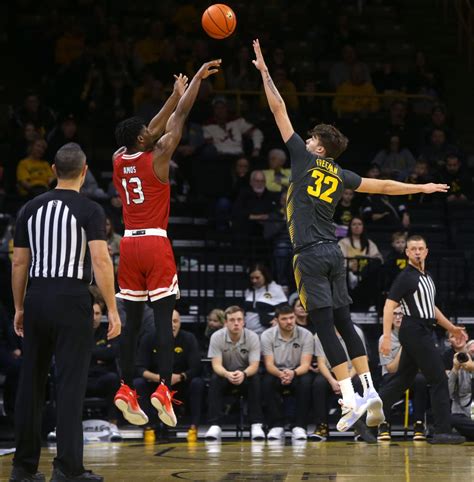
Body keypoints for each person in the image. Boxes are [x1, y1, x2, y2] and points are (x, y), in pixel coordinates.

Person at [252, 38, 449, 432]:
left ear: (319, 147)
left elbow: (278, 109)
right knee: (344, 321)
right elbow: (385, 186)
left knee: (324, 326)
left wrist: (265, 73)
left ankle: (348, 398)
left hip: (308, 253)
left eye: (310, 139)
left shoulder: (306, 159)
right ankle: (370, 391)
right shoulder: (342, 175)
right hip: (335, 252)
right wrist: (422, 188)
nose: (304, 141)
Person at [112, 60, 221, 428]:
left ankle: (126, 388)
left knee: (133, 323)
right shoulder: (159, 160)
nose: (151, 130)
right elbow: (177, 119)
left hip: (127, 246)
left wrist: (172, 95)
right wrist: (191, 88)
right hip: (155, 244)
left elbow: (154, 126)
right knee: (163, 322)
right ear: (143, 139)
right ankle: (162, 392)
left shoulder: (117, 160)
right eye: (146, 131)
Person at [10, 143, 121, 482]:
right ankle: (68, 469)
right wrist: (113, 309)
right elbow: (101, 260)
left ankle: (23, 468)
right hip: (72, 299)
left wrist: (19, 306)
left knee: (30, 384)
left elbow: (19, 261)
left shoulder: (29, 208)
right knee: (70, 385)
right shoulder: (89, 209)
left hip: (37, 297)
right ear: (85, 172)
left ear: (53, 171)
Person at [379, 235, 466, 444]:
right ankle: (442, 431)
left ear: (426, 251)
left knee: (401, 380)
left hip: (423, 329)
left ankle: (363, 417)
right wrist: (386, 337)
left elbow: (432, 309)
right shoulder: (406, 277)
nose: (417, 252)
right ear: (407, 253)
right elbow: (389, 305)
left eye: (420, 248)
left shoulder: (427, 276)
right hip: (414, 329)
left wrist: (452, 328)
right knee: (438, 379)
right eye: (413, 249)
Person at [134, 310, 204, 442]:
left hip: (179, 384)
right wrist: (158, 378)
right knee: (138, 383)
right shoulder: (148, 338)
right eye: (168, 321)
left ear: (180, 323)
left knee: (197, 383)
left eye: (175, 321)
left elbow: (196, 367)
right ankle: (148, 427)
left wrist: (180, 377)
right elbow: (139, 368)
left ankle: (194, 427)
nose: (172, 325)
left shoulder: (188, 338)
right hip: (155, 383)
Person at [205, 305, 264, 441]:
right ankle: (215, 425)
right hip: (225, 375)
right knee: (215, 379)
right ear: (225, 323)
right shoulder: (216, 337)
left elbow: (254, 365)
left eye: (239, 319)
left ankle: (256, 424)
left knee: (256, 379)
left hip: (246, 375)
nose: (236, 323)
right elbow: (216, 365)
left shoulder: (253, 337)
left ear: (244, 322)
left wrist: (243, 374)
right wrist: (227, 374)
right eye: (232, 320)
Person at [261, 305, 313, 440]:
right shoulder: (267, 335)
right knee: (266, 382)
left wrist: (293, 373)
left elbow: (306, 365)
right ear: (277, 320)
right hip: (276, 371)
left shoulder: (306, 335)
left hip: (297, 371)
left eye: (291, 318)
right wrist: (280, 374)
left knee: (306, 382)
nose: (289, 321)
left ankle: (299, 426)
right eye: (284, 319)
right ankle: (276, 426)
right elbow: (269, 364)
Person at [310, 323, 367, 442]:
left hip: (351, 371)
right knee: (319, 383)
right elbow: (321, 363)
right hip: (330, 373)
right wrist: (332, 381)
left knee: (359, 382)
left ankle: (360, 427)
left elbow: (360, 359)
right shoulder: (320, 334)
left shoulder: (356, 331)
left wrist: (346, 381)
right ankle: (322, 426)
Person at [377, 308, 428, 441]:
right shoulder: (385, 338)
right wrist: (404, 345)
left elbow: (423, 366)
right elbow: (391, 368)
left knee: (421, 380)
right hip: (392, 376)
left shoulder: (418, 336)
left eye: (401, 314)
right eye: (395, 314)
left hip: (412, 376)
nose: (398, 317)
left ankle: (419, 424)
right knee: (388, 382)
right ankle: (384, 424)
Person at [86, 302, 121, 423]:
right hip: (84, 378)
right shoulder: (78, 334)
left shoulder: (108, 333)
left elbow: (112, 353)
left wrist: (89, 353)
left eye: (97, 313)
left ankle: (113, 422)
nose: (94, 317)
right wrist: (100, 354)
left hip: (102, 378)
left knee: (113, 378)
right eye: (91, 313)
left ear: (102, 315)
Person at [243, 263, 288, 335]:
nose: (254, 280)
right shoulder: (249, 291)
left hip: (267, 331)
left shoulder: (275, 289)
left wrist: (277, 320)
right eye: (252, 278)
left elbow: (285, 309)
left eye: (257, 278)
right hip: (248, 332)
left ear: (265, 276)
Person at [448, 349, 474, 440]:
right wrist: (455, 369)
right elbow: (449, 392)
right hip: (463, 417)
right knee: (453, 419)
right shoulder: (457, 371)